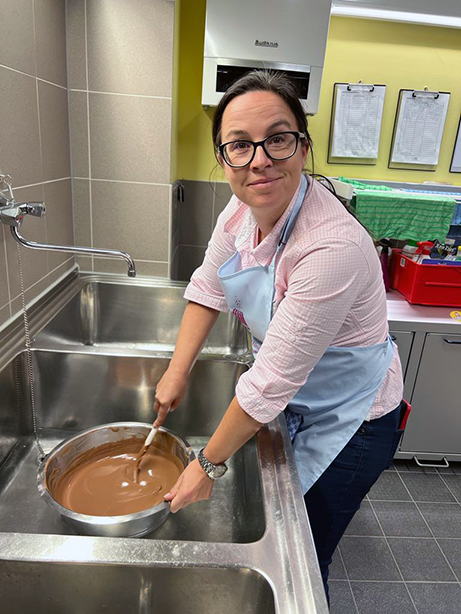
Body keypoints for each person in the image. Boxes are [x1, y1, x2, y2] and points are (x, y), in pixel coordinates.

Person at [153, 71, 404, 602]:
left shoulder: (330, 247)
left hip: (354, 423)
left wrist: (206, 466)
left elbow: (269, 382)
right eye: (240, 145)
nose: (259, 160)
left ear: (303, 147)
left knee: (305, 560)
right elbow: (208, 286)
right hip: (298, 400)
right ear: (223, 158)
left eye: (278, 139)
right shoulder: (243, 209)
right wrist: (176, 372)